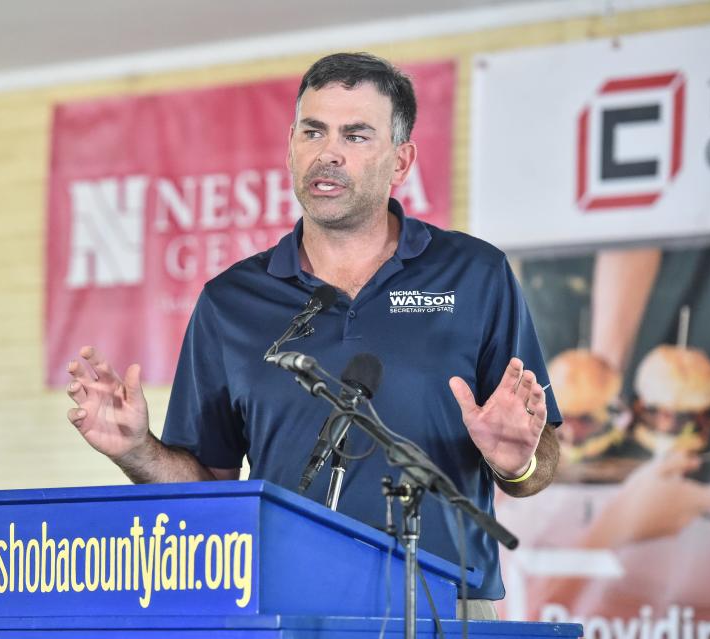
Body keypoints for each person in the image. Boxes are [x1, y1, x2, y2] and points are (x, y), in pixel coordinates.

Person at [65, 53, 562, 611]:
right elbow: (210, 494)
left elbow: (540, 459)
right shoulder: (231, 301)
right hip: (288, 605)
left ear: (401, 162)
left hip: (446, 604)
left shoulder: (475, 274)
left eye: (355, 135)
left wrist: (514, 461)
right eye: (313, 131)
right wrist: (137, 451)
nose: (329, 152)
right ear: (291, 147)